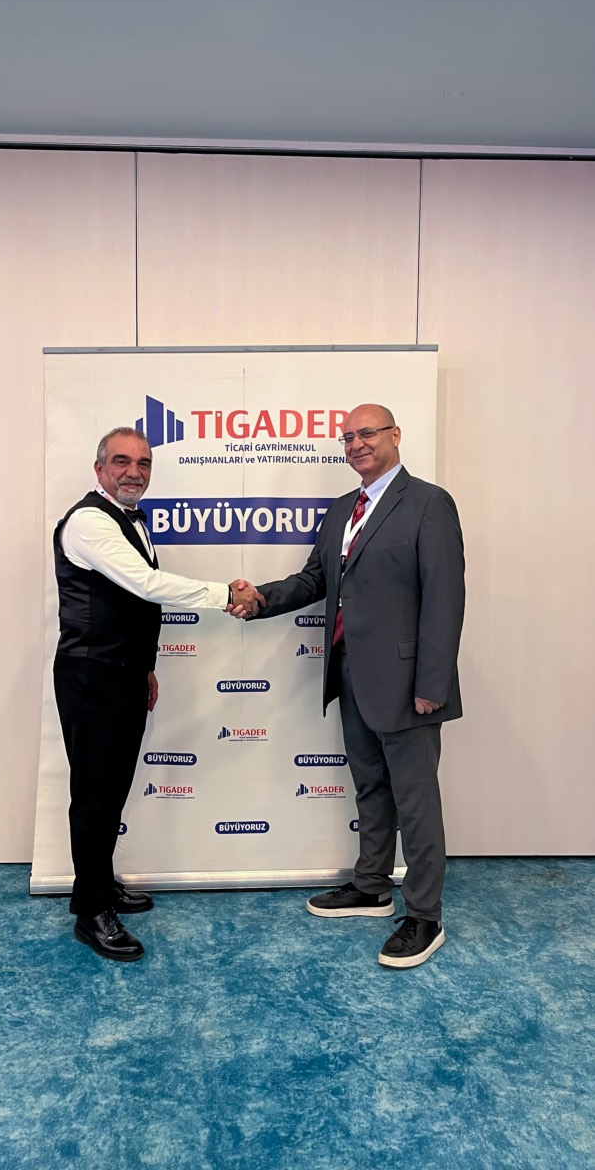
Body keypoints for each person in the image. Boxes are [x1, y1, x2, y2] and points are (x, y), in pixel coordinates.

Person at [230, 404, 465, 969]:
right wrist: (260, 599)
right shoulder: (342, 510)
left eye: (367, 433)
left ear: (395, 435)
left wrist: (432, 683)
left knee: (416, 801)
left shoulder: (429, 503)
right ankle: (371, 885)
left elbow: (445, 598)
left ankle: (424, 916)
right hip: (349, 673)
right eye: (347, 437)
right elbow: (316, 579)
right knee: (370, 788)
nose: (356, 443)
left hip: (408, 684)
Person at [54, 426, 259, 962]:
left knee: (112, 787)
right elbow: (147, 585)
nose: (134, 472)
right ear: (99, 468)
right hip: (92, 676)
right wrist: (224, 592)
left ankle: (100, 882)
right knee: (95, 794)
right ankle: (90, 911)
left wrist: (144, 667)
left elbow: (134, 604)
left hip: (122, 672)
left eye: (143, 463)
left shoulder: (129, 519)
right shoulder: (89, 522)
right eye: (121, 461)